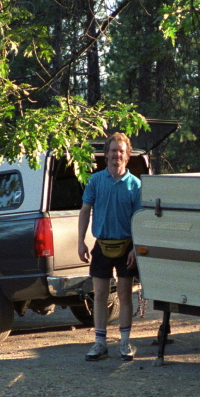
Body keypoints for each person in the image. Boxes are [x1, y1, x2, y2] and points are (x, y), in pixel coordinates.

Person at [77, 132, 142, 362]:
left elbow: (139, 219)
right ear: (106, 155)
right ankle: (100, 343)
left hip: (126, 247)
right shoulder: (95, 181)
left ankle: (125, 343)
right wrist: (81, 241)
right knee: (101, 295)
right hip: (101, 245)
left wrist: (136, 247)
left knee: (124, 295)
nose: (117, 155)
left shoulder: (135, 185)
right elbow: (85, 211)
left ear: (128, 155)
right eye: (113, 151)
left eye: (121, 151)